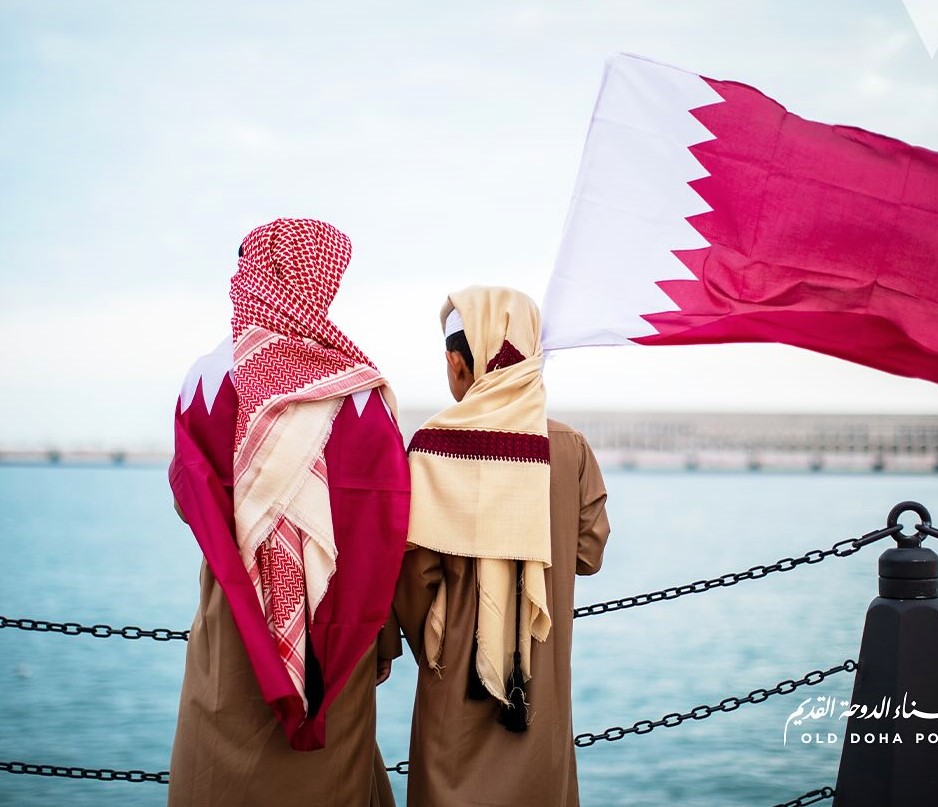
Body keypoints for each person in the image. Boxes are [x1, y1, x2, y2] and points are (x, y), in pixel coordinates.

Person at [167, 218, 410, 806]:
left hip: (233, 610)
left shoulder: (205, 377)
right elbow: (387, 521)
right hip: (342, 617)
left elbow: (188, 498)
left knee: (223, 752)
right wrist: (382, 630)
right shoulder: (359, 391)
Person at [393, 286, 610, 807]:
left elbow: (414, 579)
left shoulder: (431, 449)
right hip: (541, 684)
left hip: (455, 683)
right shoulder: (570, 447)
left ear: (458, 363)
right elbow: (588, 555)